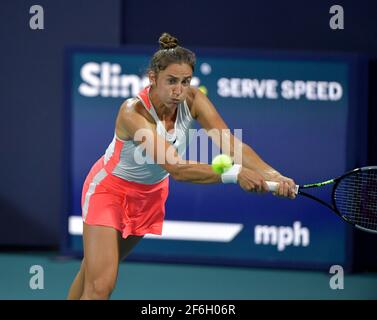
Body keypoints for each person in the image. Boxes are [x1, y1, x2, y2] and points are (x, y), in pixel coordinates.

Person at [67, 32, 297, 300]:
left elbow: (231, 145)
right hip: (109, 192)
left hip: (149, 196)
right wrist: (234, 174)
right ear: (152, 78)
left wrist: (274, 175)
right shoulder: (133, 113)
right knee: (101, 286)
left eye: (185, 81)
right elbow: (176, 168)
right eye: (171, 81)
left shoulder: (194, 100)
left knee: (93, 271)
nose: (179, 90)